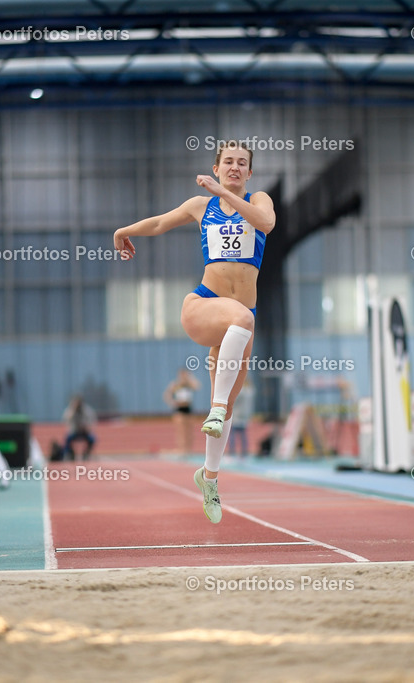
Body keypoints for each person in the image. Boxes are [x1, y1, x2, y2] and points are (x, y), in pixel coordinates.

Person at [114, 140, 276, 523]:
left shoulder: (260, 201)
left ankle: (210, 478)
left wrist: (223, 193)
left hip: (239, 318)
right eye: (228, 162)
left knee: (232, 400)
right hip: (203, 305)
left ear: (249, 173)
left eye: (242, 164)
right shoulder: (200, 206)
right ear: (216, 166)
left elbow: (266, 224)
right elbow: (158, 223)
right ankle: (215, 408)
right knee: (242, 323)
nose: (235, 168)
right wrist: (123, 230)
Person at [164, 368, 201, 454]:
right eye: (182, 374)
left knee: (189, 431)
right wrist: (171, 403)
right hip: (179, 410)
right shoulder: (175, 384)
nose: (183, 376)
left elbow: (197, 386)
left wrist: (190, 377)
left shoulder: (189, 384)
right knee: (181, 431)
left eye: (185, 374)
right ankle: (181, 449)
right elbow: (167, 394)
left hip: (188, 409)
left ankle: (188, 449)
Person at [62, 395, 97, 461]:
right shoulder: (70, 410)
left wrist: (87, 427)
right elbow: (66, 420)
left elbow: (92, 420)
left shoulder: (87, 410)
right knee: (67, 439)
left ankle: (86, 453)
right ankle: (70, 454)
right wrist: (72, 411)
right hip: (74, 431)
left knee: (92, 439)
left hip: (85, 432)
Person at [228, 375, 255, 456]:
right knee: (243, 435)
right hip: (245, 415)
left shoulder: (241, 392)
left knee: (232, 434)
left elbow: (233, 400)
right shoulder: (251, 391)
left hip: (237, 414)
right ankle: (244, 451)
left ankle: (232, 451)